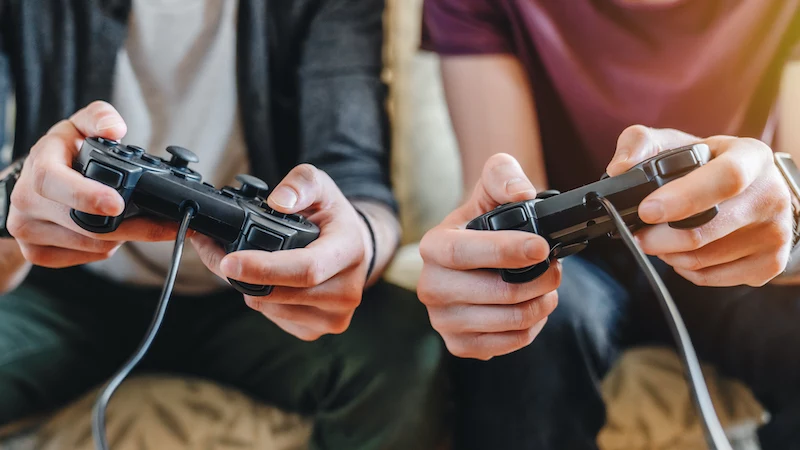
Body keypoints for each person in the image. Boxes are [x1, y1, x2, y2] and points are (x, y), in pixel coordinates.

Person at [0, 1, 444, 449]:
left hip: (254, 298)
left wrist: (358, 246)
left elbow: (357, 179)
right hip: (62, 291)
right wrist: (17, 198)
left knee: (405, 351)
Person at [417, 1, 800, 449]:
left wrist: (788, 227)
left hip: (733, 231)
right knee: (523, 329)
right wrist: (485, 277)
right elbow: (509, 192)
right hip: (574, 261)